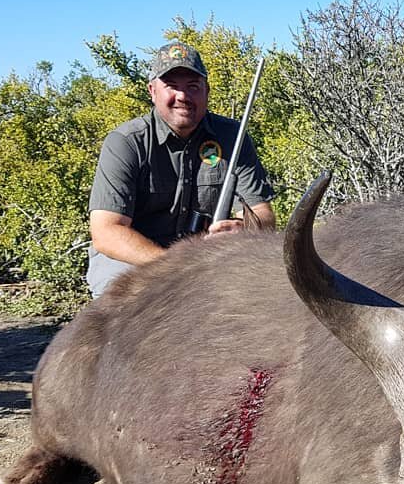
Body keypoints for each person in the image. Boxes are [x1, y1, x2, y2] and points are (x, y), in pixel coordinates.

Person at [86, 41, 276, 296]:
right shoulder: (126, 142)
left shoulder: (233, 137)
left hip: (202, 258)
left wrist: (243, 229)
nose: (183, 97)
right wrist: (174, 267)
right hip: (134, 260)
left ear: (207, 91)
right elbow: (106, 232)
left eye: (193, 87)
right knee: (125, 311)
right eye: (172, 86)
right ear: (152, 91)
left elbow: (263, 215)